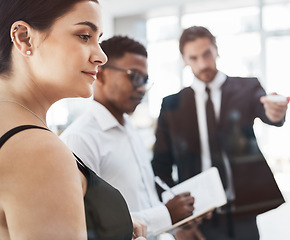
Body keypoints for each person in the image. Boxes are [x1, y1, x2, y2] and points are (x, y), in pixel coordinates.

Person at [0, 1, 146, 239]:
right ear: (24, 38)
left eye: (98, 39)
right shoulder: (38, 151)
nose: (101, 56)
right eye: (84, 36)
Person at [152, 26, 290, 240]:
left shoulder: (247, 88)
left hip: (242, 211)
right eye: (194, 57)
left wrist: (275, 111)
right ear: (184, 60)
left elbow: (270, 115)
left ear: (216, 50)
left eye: (207, 54)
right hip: (198, 217)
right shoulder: (172, 105)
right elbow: (160, 166)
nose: (203, 64)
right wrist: (177, 222)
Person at [60, 35, 198, 240]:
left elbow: (145, 200)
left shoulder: (129, 128)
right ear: (102, 75)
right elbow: (85, 224)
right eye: (134, 76)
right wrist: (166, 214)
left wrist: (177, 227)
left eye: (145, 80)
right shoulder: (80, 139)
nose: (142, 88)